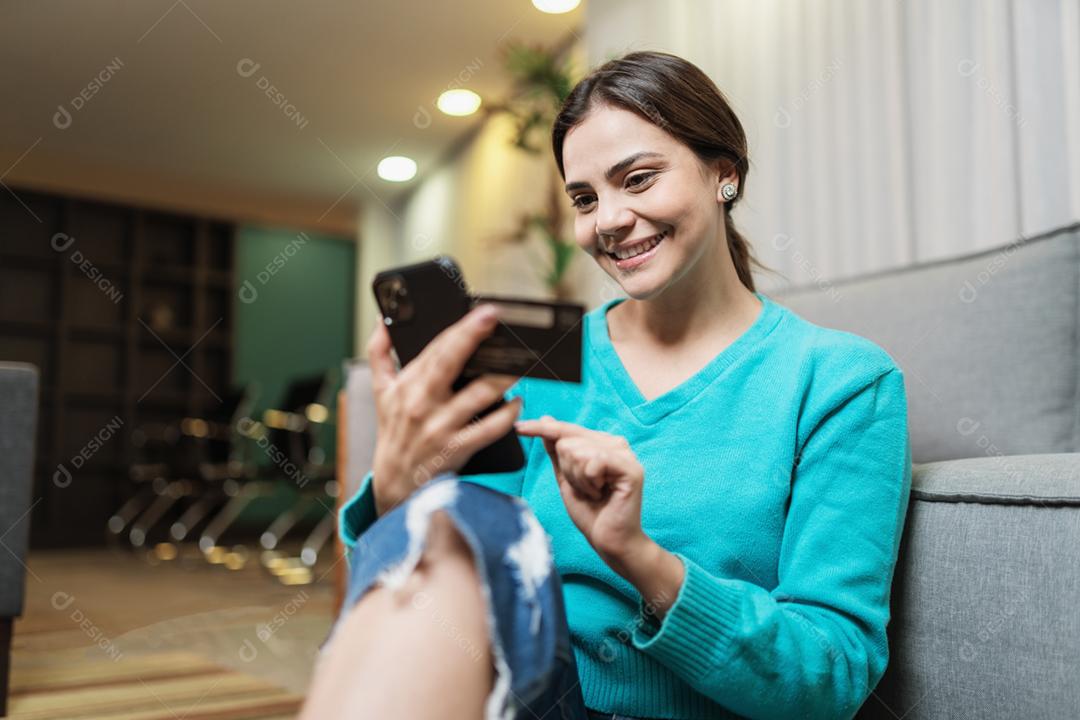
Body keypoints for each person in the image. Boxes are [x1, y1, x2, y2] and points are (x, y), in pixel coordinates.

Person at [301, 50, 912, 720]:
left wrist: (640, 557)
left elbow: (832, 674)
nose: (608, 221)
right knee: (461, 525)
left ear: (724, 175)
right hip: (525, 699)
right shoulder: (544, 363)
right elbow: (433, 593)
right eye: (585, 199)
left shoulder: (840, 382)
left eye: (639, 180)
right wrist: (397, 491)